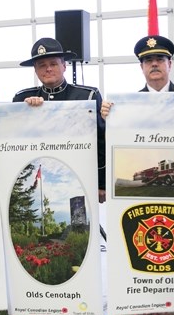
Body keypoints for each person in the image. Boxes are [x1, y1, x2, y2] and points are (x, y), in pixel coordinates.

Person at [14, 37, 106, 202]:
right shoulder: (22, 99)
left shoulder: (87, 96)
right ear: (35, 70)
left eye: (53, 64)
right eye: (42, 65)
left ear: (64, 66)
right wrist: (25, 112)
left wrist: (101, 183)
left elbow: (101, 141)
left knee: (81, 223)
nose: (48, 69)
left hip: (80, 178)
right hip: (37, 181)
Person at [99, 35, 174, 120]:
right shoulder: (129, 104)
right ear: (142, 67)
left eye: (160, 59)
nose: (154, 64)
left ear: (169, 64)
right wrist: (108, 120)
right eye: (148, 60)